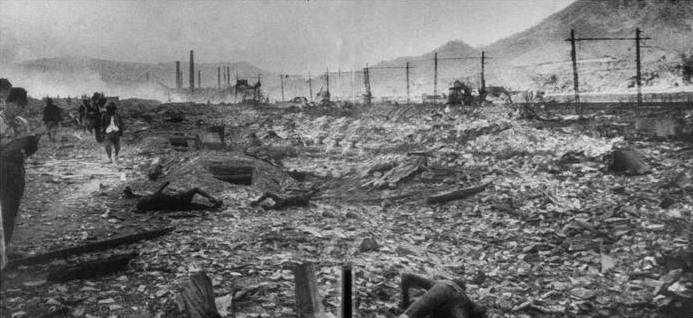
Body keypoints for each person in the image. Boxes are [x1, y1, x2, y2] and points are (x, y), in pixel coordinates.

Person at [1, 87, 40, 271]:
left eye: (20, 106)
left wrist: (30, 146)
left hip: (16, 169)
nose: (16, 109)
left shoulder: (23, 123)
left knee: (11, 208)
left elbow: (29, 149)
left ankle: (6, 247)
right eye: (14, 104)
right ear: (6, 103)